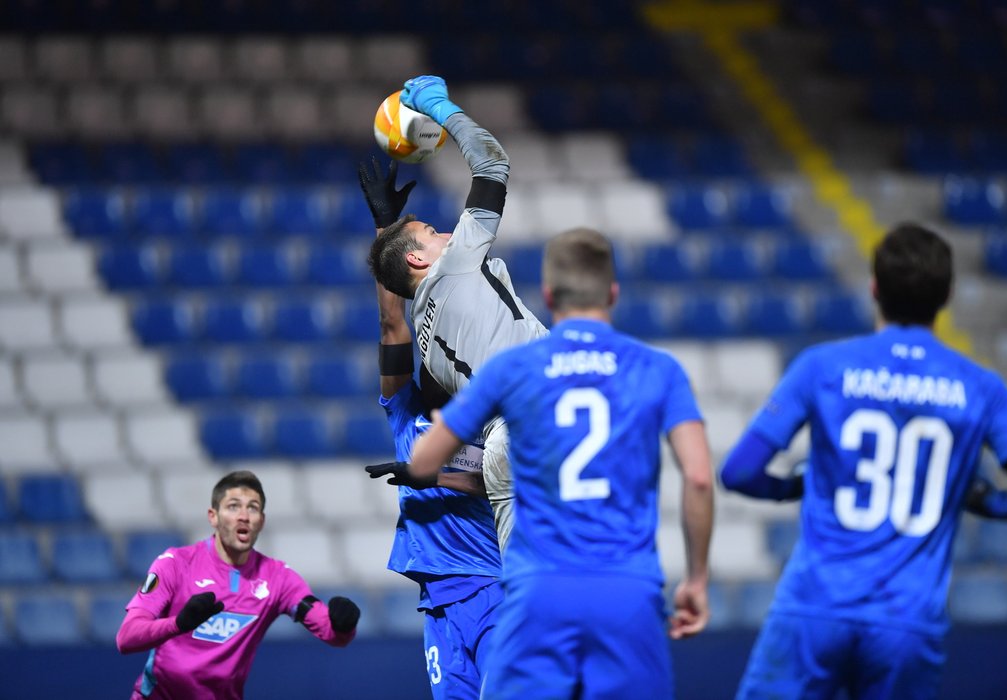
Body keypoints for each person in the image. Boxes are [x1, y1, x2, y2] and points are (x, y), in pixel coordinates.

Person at [720, 222, 1007, 700]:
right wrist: (984, 502)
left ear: (873, 287)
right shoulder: (981, 388)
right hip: (907, 624)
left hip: (815, 610)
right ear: (947, 295)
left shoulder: (822, 366)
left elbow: (739, 472)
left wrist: (796, 485)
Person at [408, 227, 715, 698]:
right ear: (613, 294)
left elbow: (424, 459)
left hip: (539, 590)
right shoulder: (657, 368)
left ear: (549, 297)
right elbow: (697, 476)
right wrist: (695, 579)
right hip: (626, 589)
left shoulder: (514, 368)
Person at [365, 75, 549, 551]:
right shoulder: (454, 266)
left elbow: (394, 324)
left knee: (527, 597)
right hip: (545, 412)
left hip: (503, 451)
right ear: (418, 259)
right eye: (431, 231)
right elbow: (492, 161)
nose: (447, 232)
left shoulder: (428, 349)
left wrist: (388, 229)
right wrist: (438, 105)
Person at [356, 157, 504, 700]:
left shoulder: (494, 425)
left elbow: (508, 487)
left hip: (493, 584)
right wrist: (386, 229)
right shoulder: (405, 408)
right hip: (439, 598)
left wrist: (432, 477)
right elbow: (392, 320)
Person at [116, 470, 360, 700]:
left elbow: (331, 633)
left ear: (261, 521)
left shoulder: (279, 579)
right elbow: (126, 639)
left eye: (252, 508)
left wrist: (343, 624)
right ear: (213, 516)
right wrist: (178, 624)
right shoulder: (175, 564)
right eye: (233, 506)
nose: (244, 515)